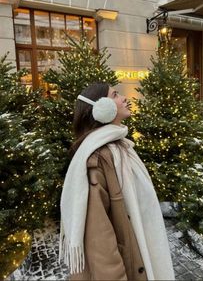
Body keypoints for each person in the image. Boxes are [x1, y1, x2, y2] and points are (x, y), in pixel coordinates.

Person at [59, 82, 175, 281]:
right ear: (102, 108)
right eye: (115, 95)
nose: (124, 98)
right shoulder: (100, 158)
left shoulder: (120, 147)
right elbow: (99, 240)